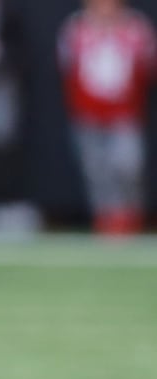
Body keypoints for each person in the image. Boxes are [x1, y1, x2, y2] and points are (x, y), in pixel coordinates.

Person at [57, 0, 156, 235]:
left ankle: (129, 218)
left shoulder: (136, 28)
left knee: (127, 166)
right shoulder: (76, 28)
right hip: (88, 115)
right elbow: (67, 69)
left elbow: (147, 67)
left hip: (124, 115)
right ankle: (105, 220)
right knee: (96, 170)